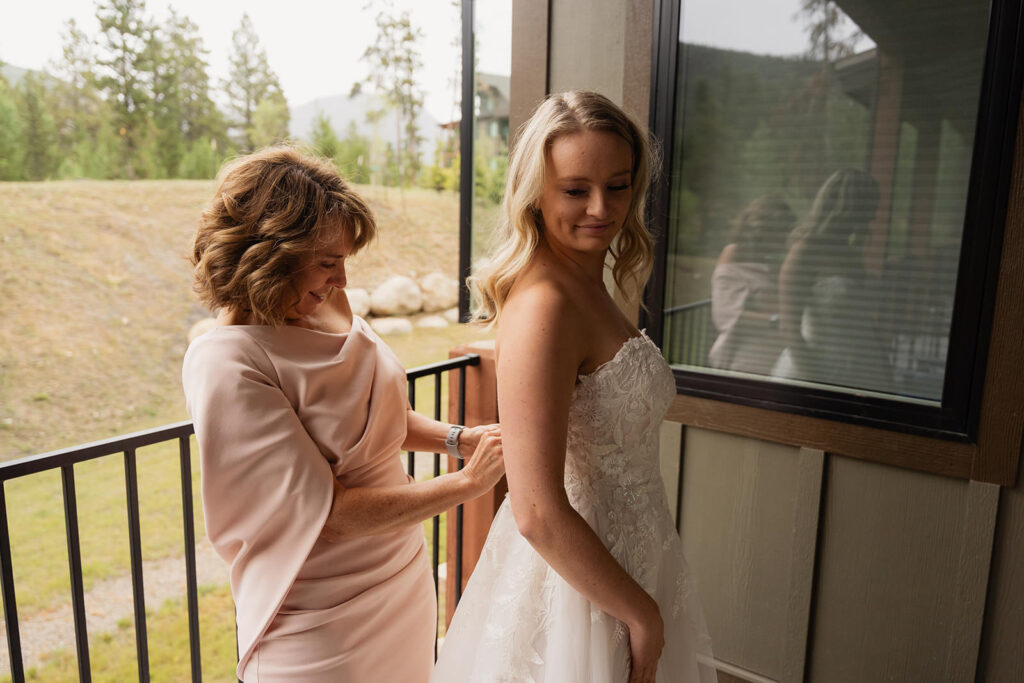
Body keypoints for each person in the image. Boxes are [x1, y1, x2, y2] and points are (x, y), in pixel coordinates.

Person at [181, 146, 504, 682]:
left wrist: (457, 439)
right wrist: (469, 484)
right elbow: (332, 516)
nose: (343, 279)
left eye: (344, 259)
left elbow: (378, 419)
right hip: (319, 620)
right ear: (269, 254)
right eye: (328, 261)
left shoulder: (327, 303)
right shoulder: (228, 363)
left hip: (400, 577)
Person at [432, 91, 716, 683]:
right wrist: (641, 614)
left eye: (618, 185)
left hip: (631, 548)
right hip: (578, 585)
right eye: (575, 189)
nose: (600, 208)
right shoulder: (546, 305)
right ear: (535, 191)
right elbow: (535, 509)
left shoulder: (588, 279)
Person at [772, 168, 893, 392]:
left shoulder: (852, 253)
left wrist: (885, 370)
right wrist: (817, 385)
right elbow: (788, 329)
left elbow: (863, 322)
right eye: (870, 207)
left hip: (864, 371)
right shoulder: (805, 252)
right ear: (850, 206)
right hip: (817, 369)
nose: (874, 216)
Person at [707, 195, 795, 374]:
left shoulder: (770, 261)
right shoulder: (734, 255)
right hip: (744, 362)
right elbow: (725, 314)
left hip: (775, 358)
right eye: (783, 231)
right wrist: (778, 321)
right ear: (765, 229)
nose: (787, 237)